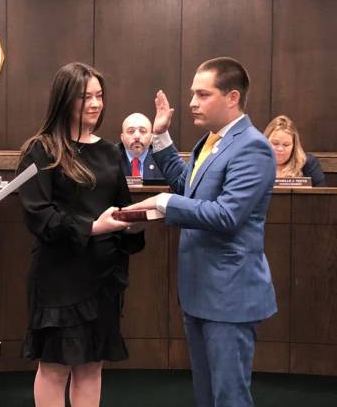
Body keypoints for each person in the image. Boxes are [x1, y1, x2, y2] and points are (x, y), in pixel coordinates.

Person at [126, 57, 277, 407]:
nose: (192, 102)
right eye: (193, 93)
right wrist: (161, 135)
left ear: (232, 97)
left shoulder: (252, 147)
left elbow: (228, 215)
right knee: (207, 396)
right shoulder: (210, 141)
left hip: (229, 297)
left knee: (229, 397)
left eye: (202, 94)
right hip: (200, 293)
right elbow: (187, 188)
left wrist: (166, 203)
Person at [17, 62, 145, 407]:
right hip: (60, 277)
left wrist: (135, 221)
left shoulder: (108, 151)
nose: (95, 103)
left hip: (103, 276)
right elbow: (38, 216)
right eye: (85, 96)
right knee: (55, 368)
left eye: (99, 96)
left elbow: (121, 205)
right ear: (64, 99)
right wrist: (92, 227)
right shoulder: (41, 149)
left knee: (91, 367)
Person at [263, 115, 326, 186]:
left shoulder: (307, 163)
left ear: (294, 146)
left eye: (286, 145)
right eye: (275, 143)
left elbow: (321, 195)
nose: (280, 149)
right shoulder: (255, 162)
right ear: (265, 141)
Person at [117, 112, 164, 182]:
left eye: (142, 131)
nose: (137, 136)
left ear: (151, 138)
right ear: (122, 138)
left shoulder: (162, 160)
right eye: (131, 131)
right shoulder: (110, 158)